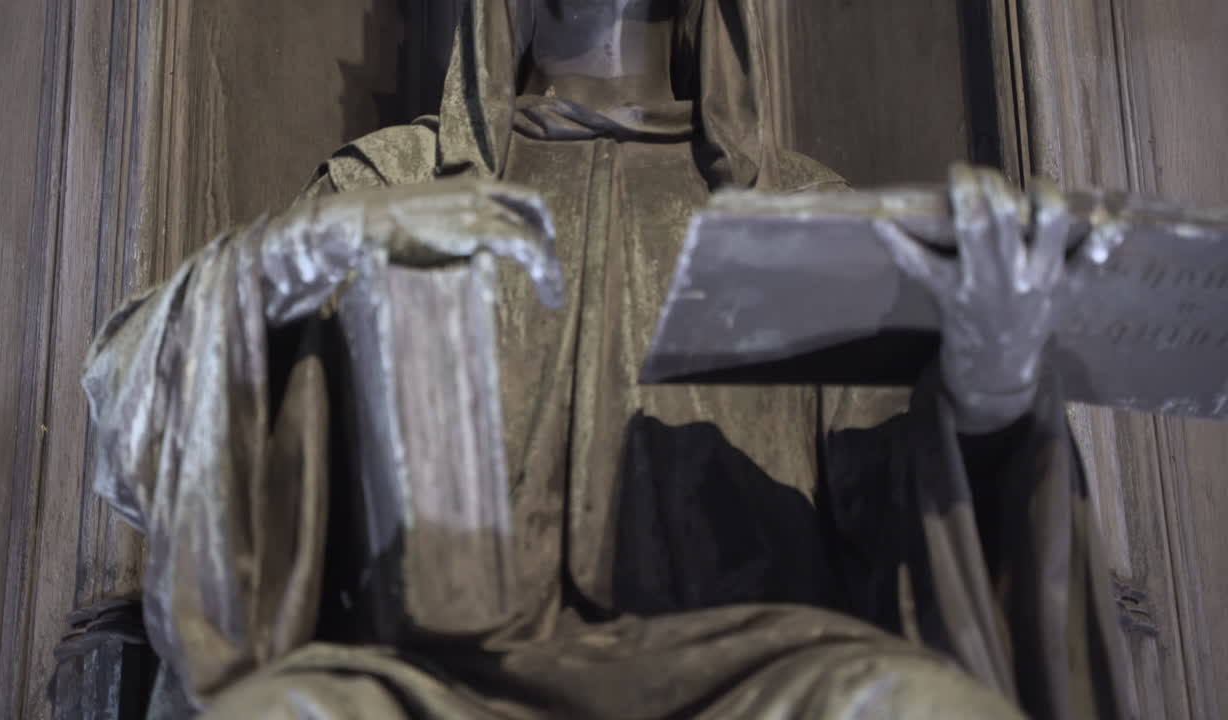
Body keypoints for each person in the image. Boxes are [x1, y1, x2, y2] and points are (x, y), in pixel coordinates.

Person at [82, 1, 1125, 717]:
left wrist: (986, 395)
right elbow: (132, 410)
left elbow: (906, 528)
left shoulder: (797, 211)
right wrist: (281, 268)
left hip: (747, 677)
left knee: (914, 706)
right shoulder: (391, 187)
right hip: (433, 679)